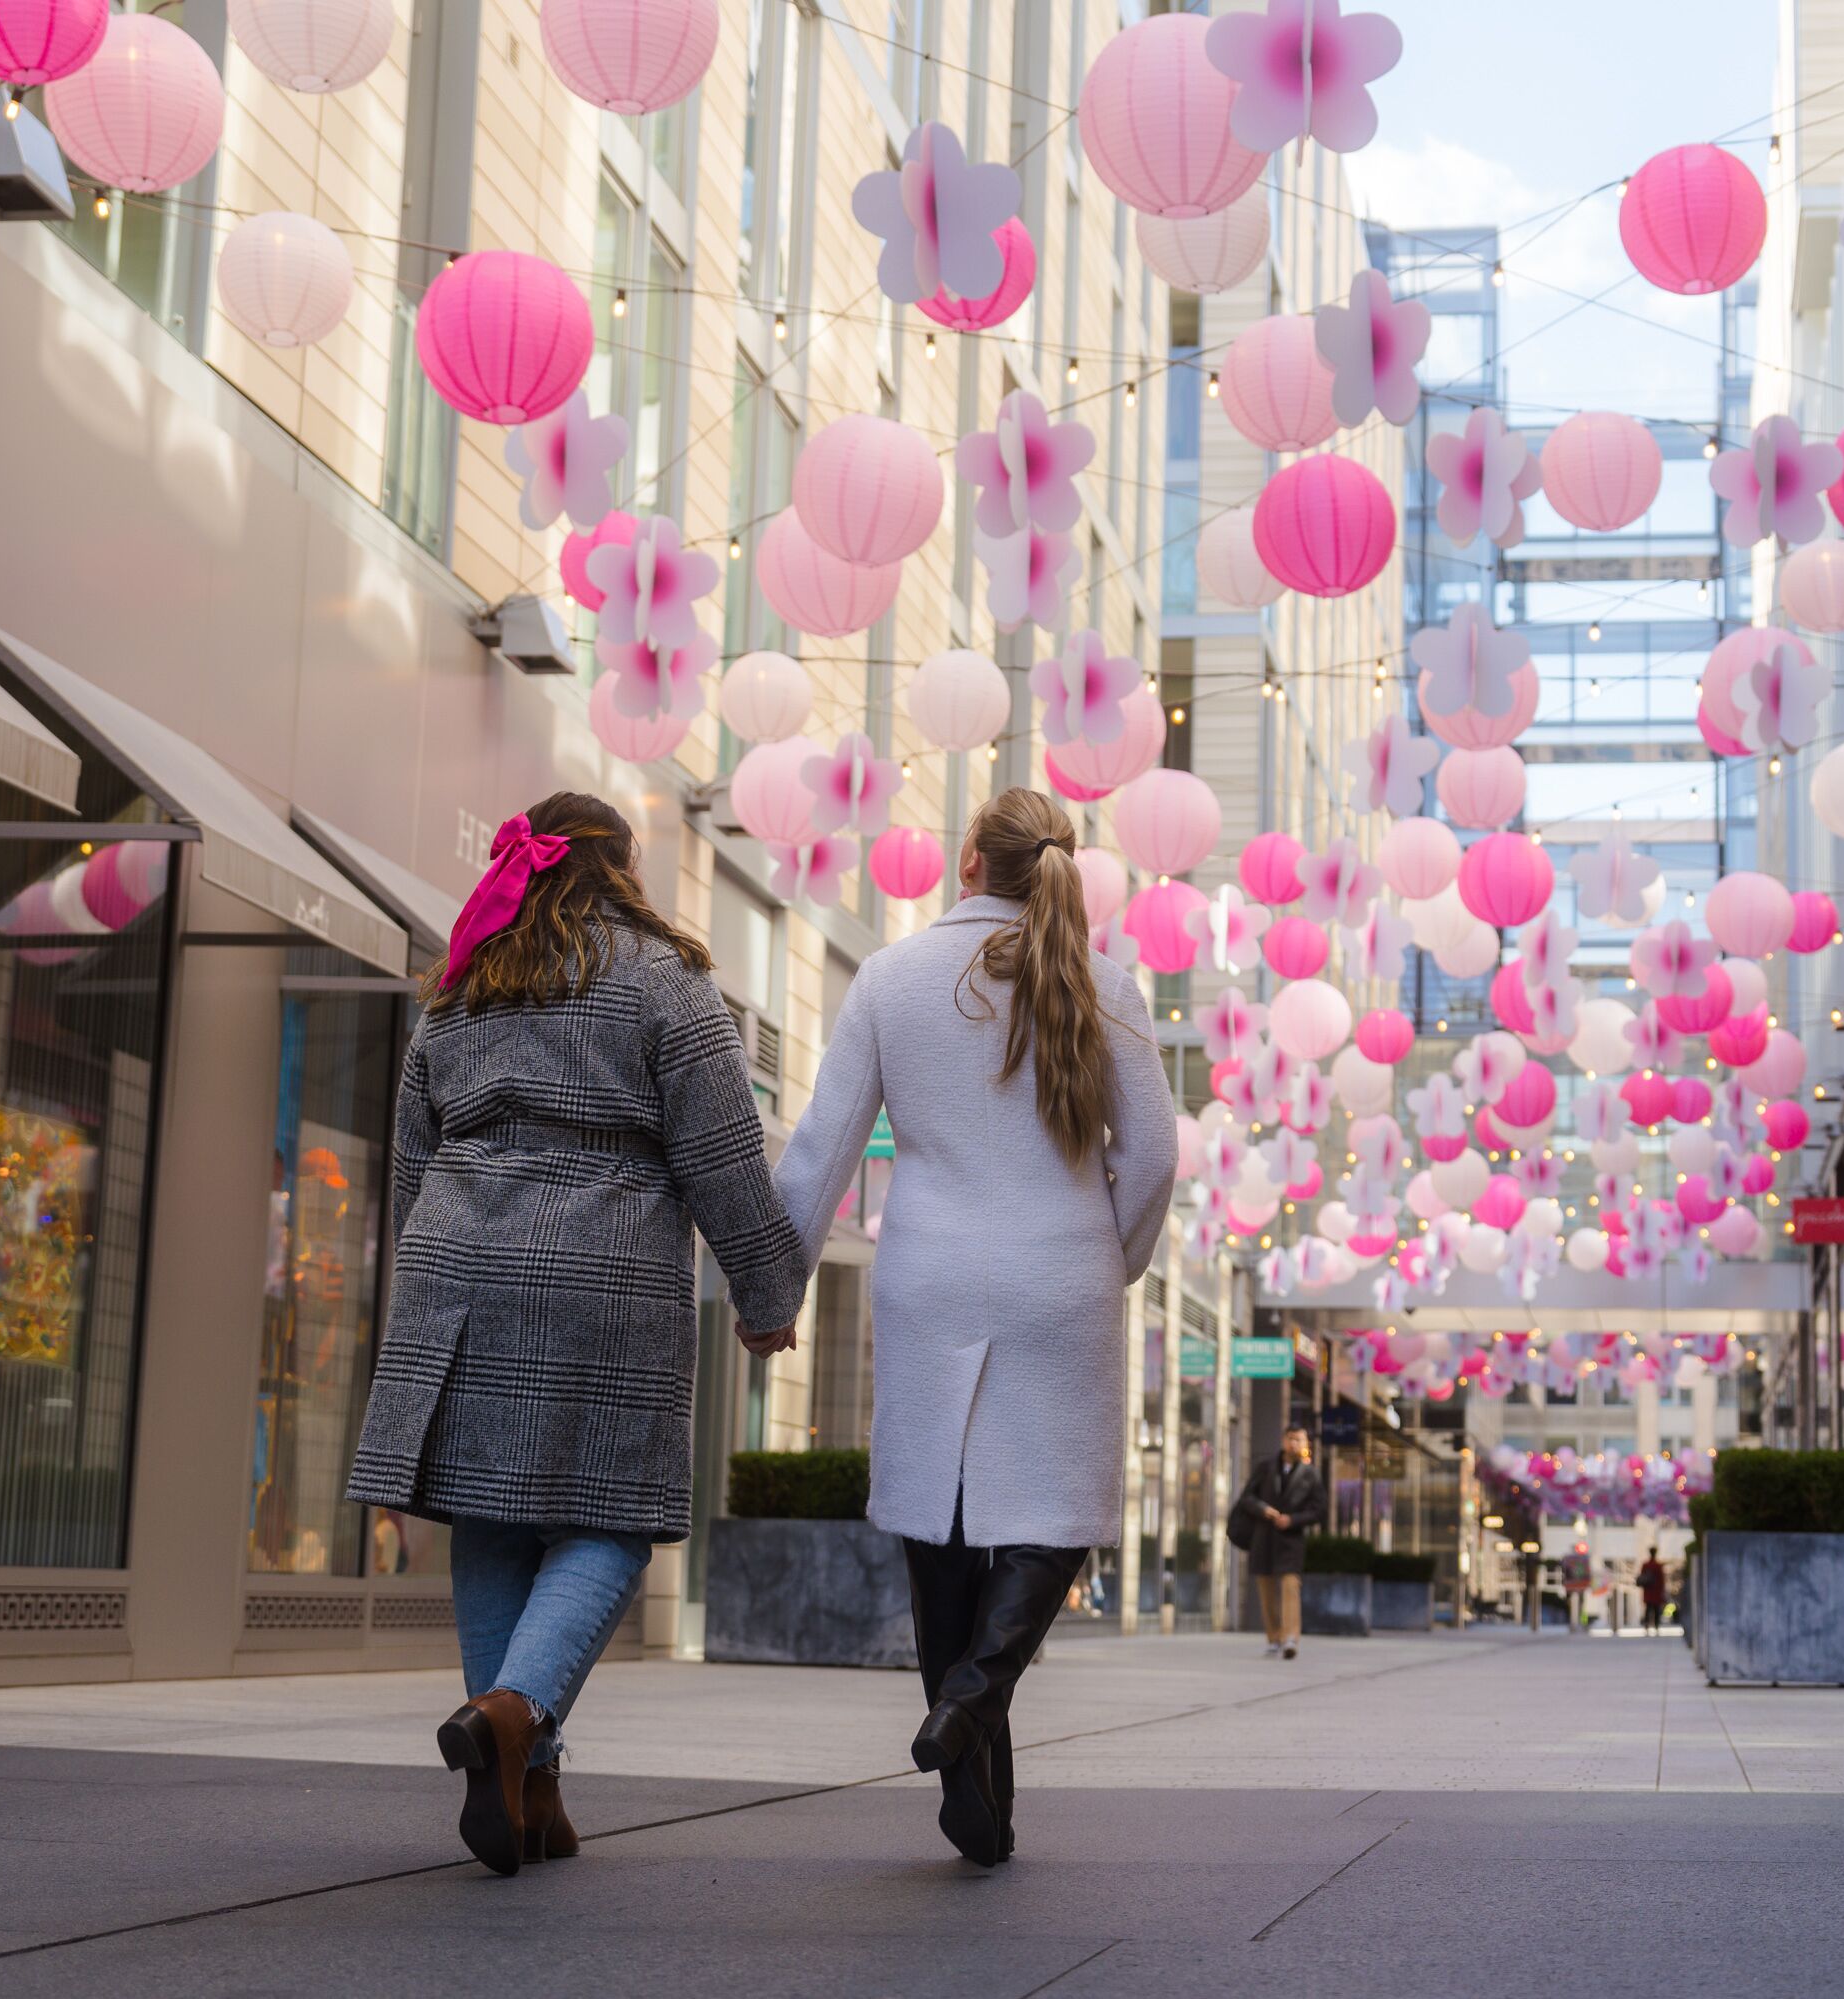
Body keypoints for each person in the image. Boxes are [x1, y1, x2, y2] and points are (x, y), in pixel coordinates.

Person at [346, 794, 807, 1877]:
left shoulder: (464, 982)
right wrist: (766, 1292)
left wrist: (424, 1285)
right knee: (610, 1519)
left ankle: (530, 1783)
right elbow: (725, 1161)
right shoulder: (664, 978)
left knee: (492, 1516)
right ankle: (513, 1715)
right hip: (605, 1271)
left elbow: (410, 1155)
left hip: (458, 1267)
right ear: (622, 869)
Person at [778, 788, 1178, 1869]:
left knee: (940, 1520)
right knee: (1056, 1512)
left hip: (932, 1278)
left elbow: (822, 1147)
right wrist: (1114, 1253)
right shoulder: (1108, 985)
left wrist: (773, 1289)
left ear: (968, 860)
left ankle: (968, 1750)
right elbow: (1152, 1155)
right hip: (1061, 1273)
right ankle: (976, 1703)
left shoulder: (891, 979)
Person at [1240, 1423, 1328, 1659]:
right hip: (1264, 1536)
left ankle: (1290, 1638)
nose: (1295, 1444)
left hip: (1291, 1540)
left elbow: (1320, 1511)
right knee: (1266, 1588)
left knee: (1290, 1587)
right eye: (1291, 1439)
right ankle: (1273, 1637)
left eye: (1300, 1440)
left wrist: (1293, 1520)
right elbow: (1247, 1496)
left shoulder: (1311, 1474)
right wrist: (1263, 1509)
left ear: (1306, 1444)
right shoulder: (1266, 1467)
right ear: (1283, 1440)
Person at [1637, 1552, 1667, 1636]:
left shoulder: (1645, 1565)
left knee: (1648, 1609)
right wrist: (1662, 1591)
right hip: (1656, 1591)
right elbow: (1661, 1580)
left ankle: (1647, 1626)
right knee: (1656, 1610)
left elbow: (1642, 1577)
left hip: (1648, 1592)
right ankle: (1656, 1627)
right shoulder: (1658, 1566)